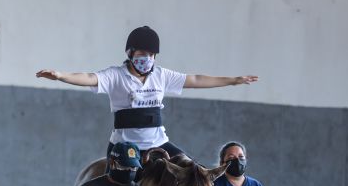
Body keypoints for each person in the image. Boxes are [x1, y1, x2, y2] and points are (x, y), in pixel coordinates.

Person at [36, 26, 258, 161]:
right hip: (124, 146)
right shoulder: (115, 75)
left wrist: (233, 81)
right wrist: (61, 75)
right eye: (143, 53)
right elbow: (88, 77)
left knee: (194, 172)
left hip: (159, 143)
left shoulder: (161, 75)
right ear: (131, 54)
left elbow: (196, 80)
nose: (147, 58)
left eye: (151, 54)